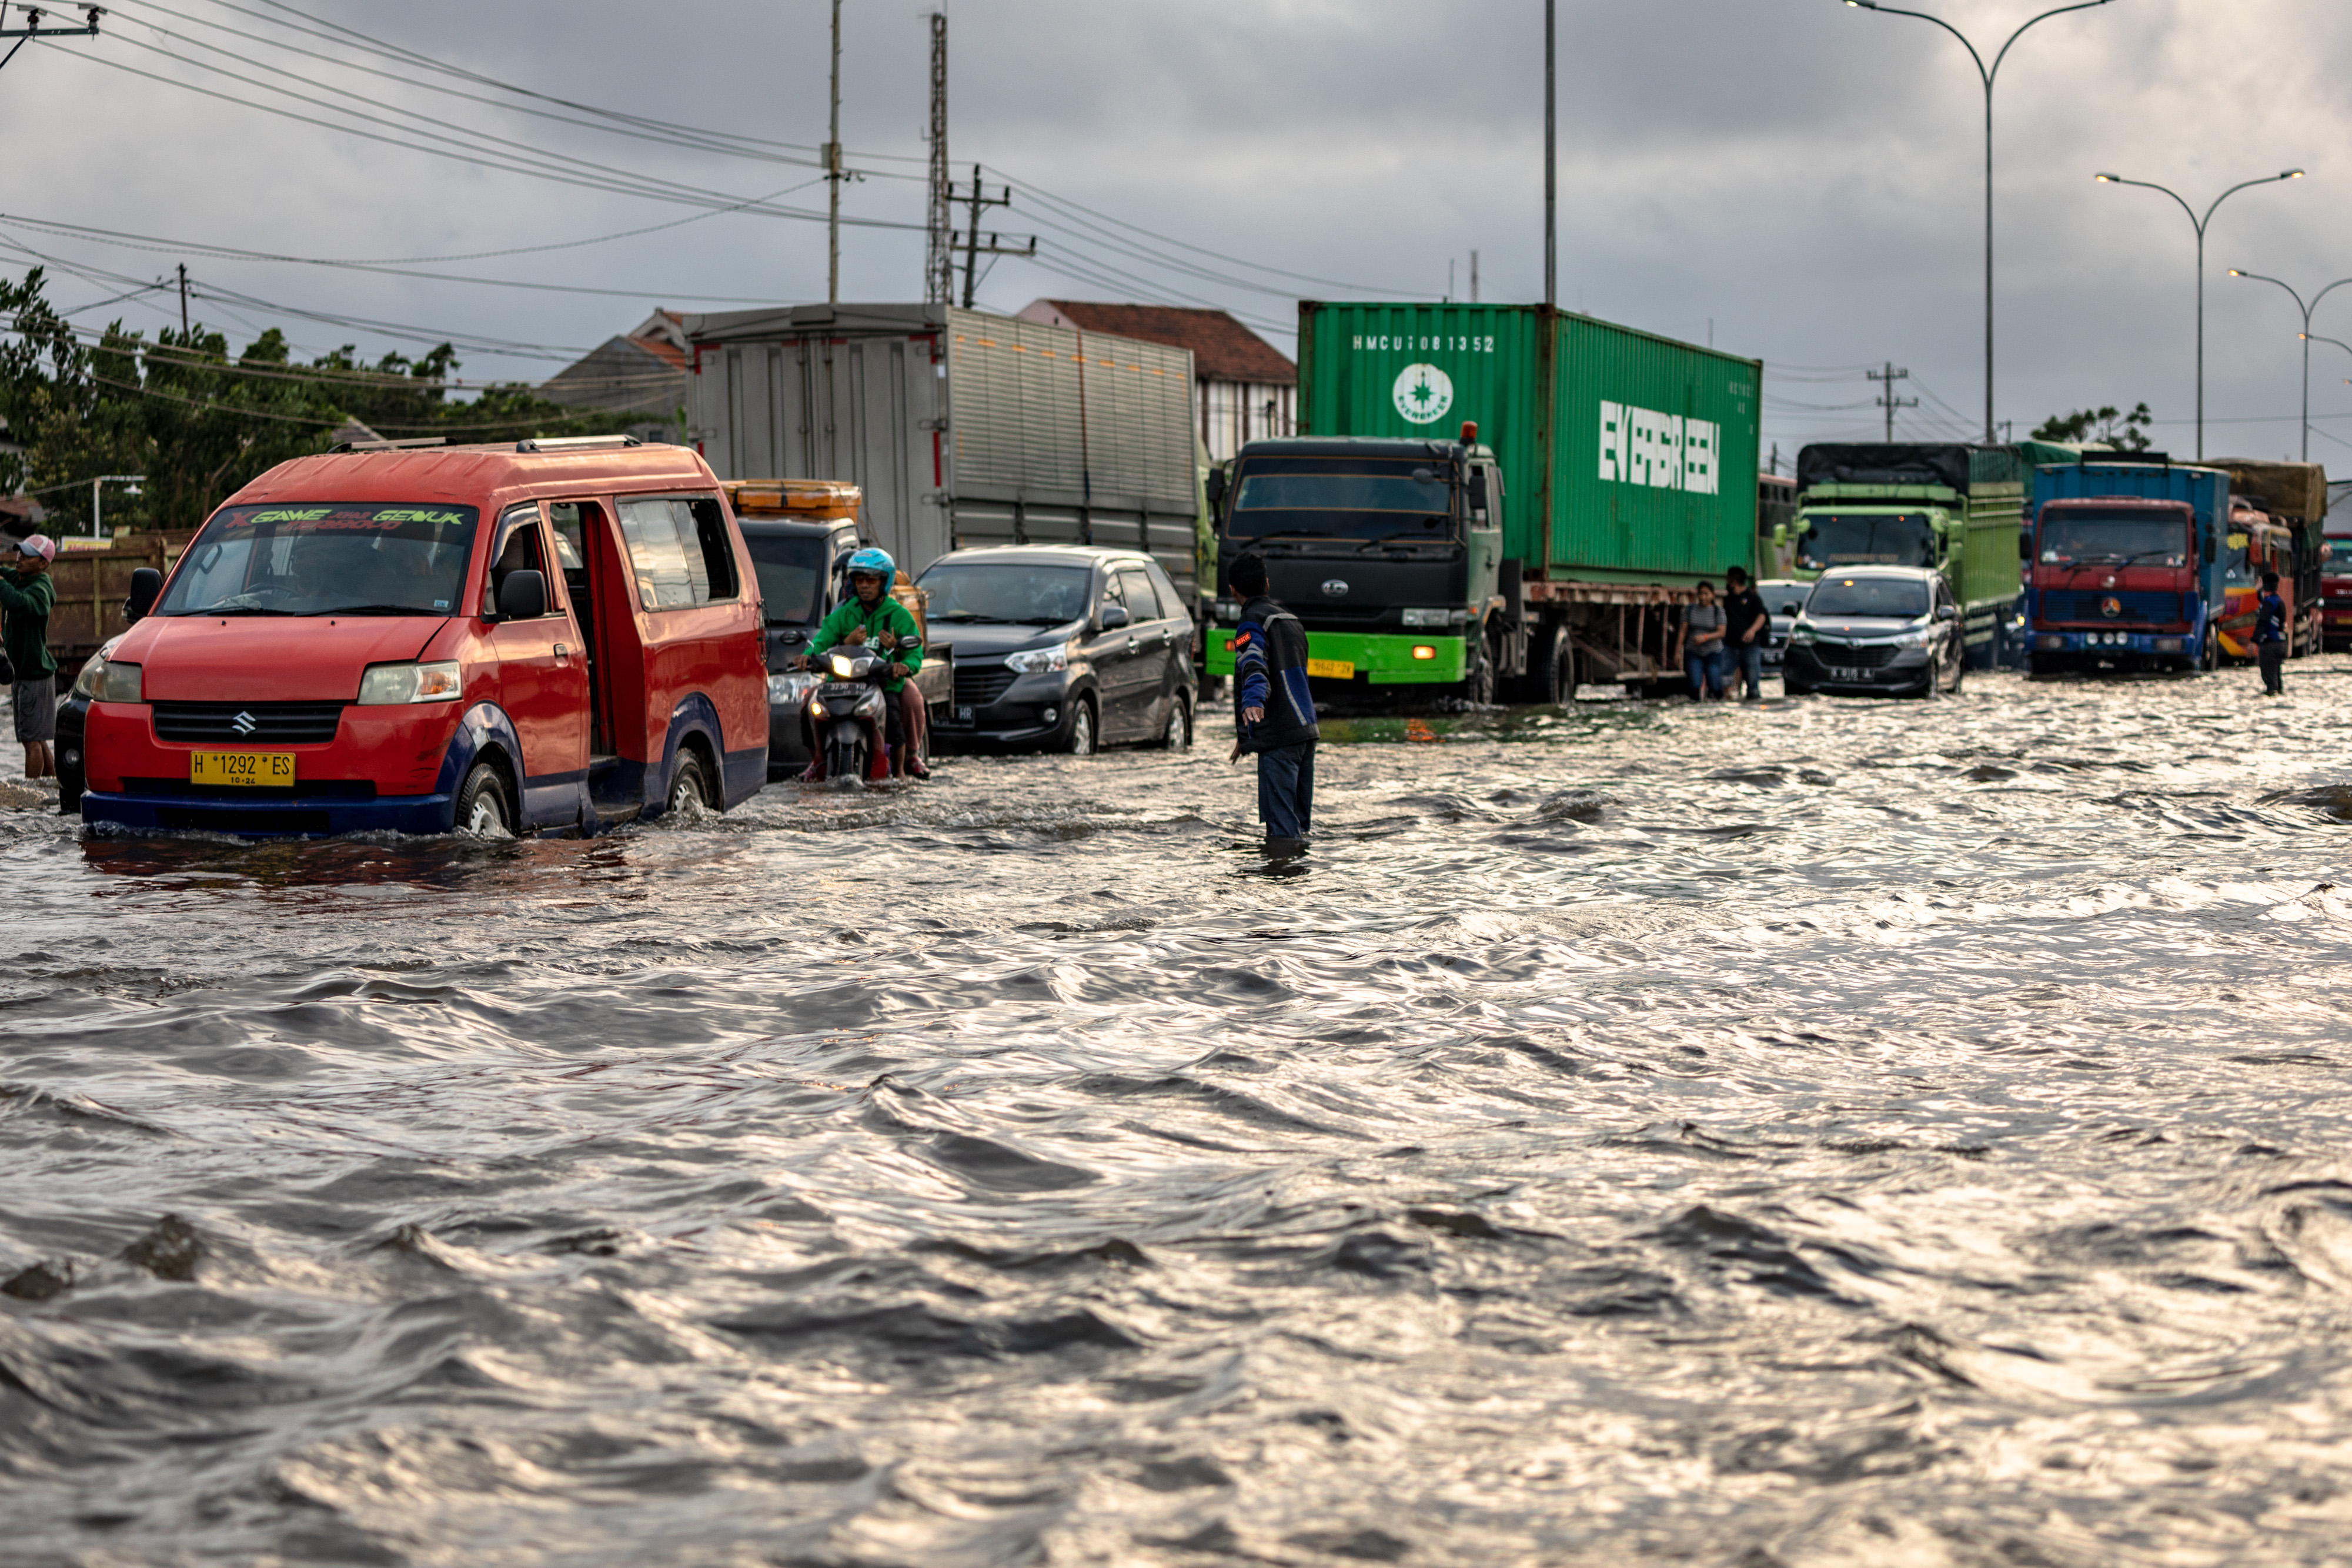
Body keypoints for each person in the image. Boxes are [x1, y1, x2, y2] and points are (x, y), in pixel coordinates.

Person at [796, 547, 924, 781]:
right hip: (843, 680)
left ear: (884, 582)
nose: (865, 585)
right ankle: (816, 761)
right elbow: (821, 640)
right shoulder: (843, 613)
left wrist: (904, 666)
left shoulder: (899, 615)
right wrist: (807, 655)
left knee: (893, 718)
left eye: (871, 580)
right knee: (808, 705)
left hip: (883, 681)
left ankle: (901, 772)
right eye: (859, 580)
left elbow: (915, 652)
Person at [1224, 551, 1318, 856]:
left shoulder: (1250, 624)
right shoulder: (1290, 620)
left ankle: (1282, 894)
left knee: (1281, 830)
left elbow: (1253, 664)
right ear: (1267, 583)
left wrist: (1253, 703)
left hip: (1280, 738)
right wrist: (1247, 736)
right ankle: (1303, 883)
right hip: (1306, 732)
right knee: (1299, 825)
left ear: (1232, 590)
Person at [0, 535, 56, 780]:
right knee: (36, 739)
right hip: (22, 674)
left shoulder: (40, 588)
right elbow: (6, 575)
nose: (19, 558)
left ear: (43, 564)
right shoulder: (21, 578)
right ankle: (54, 784)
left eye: (26, 555)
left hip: (34, 676)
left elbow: (19, 602)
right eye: (19, 553)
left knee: (31, 742)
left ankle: (29, 796)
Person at [1722, 566, 1768, 701]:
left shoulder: (1753, 597)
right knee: (1724, 680)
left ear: (1734, 581)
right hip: (1730, 645)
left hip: (1750, 646)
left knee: (1753, 684)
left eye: (1728, 579)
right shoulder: (1728, 599)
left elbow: (1762, 616)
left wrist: (1752, 630)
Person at [1676, 580, 1727, 700]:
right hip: (1693, 651)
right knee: (1694, 683)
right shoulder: (1690, 610)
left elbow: (1722, 632)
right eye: (1700, 594)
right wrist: (1678, 650)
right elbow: (1683, 631)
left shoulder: (1718, 611)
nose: (1703, 597)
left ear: (1712, 595)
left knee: (1715, 683)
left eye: (1706, 594)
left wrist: (1705, 637)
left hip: (1713, 651)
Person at [2254, 569, 2287, 697]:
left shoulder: (2268, 603)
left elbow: (2263, 621)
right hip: (2280, 644)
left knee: (2269, 678)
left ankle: (2272, 697)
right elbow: (2263, 600)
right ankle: (2279, 695)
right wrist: (2258, 591)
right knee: (2277, 677)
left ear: (2265, 587)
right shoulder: (2277, 600)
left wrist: (2254, 641)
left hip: (2270, 645)